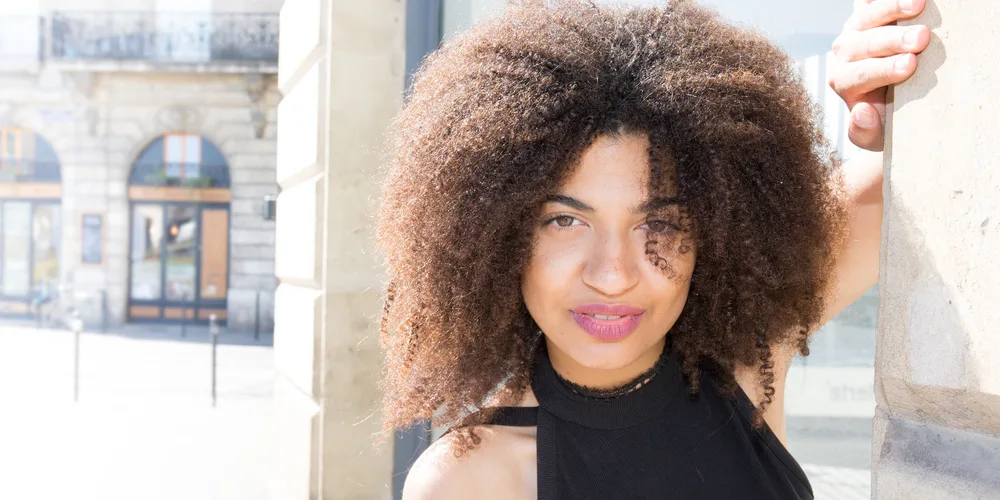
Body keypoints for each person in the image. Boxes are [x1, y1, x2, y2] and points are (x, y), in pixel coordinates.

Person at [377, 0, 929, 498]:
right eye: (565, 220)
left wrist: (906, 104)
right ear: (497, 238)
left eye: (659, 223)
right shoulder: (467, 482)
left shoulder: (747, 359)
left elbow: (949, 174)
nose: (613, 275)